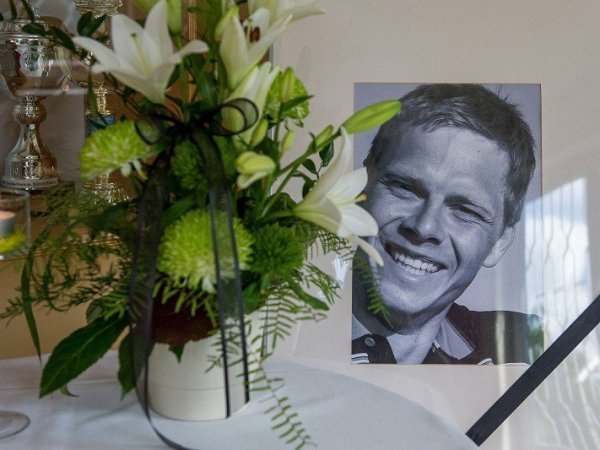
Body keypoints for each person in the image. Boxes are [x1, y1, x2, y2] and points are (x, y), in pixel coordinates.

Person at [352, 84, 542, 365]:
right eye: (405, 187)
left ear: (499, 243)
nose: (424, 227)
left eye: (464, 210)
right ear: (360, 186)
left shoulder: (530, 350)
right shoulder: (286, 322)